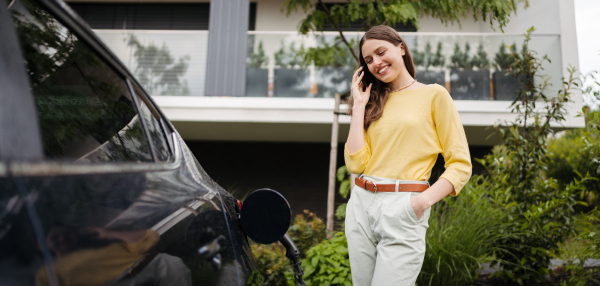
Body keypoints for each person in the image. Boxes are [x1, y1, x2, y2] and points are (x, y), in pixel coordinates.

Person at [344, 25, 472, 286]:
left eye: (381, 52)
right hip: (360, 204)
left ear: (401, 47)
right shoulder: (372, 101)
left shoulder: (434, 95)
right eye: (368, 60)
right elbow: (356, 163)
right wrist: (358, 106)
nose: (376, 63)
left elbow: (460, 165)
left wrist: (420, 203)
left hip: (403, 206)